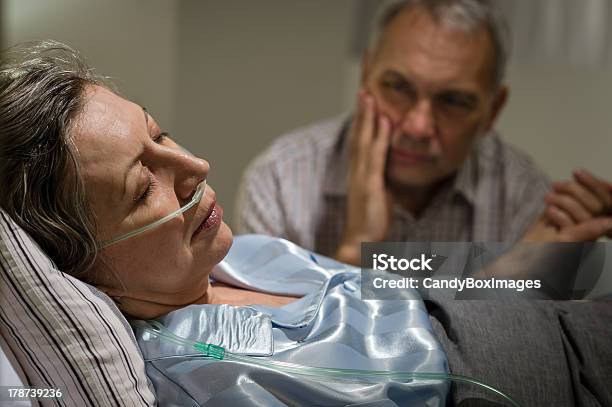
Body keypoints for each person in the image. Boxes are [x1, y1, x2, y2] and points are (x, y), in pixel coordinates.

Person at [2, 41, 612, 406]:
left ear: (492, 107)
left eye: (161, 133)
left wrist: (534, 262)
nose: (196, 166)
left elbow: (412, 312)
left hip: (538, 326)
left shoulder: (235, 253)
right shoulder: (198, 365)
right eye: (142, 188)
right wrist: (355, 240)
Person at [235, 0, 612, 265]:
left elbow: (503, 364)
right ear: (367, 75)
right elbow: (274, 359)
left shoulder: (523, 197)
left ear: (493, 110)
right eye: (398, 87)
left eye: (452, 101)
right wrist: (357, 249)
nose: (417, 126)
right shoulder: (281, 181)